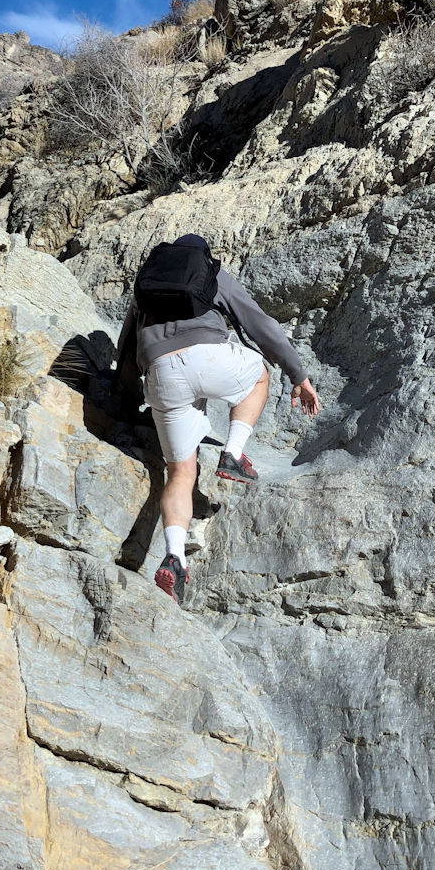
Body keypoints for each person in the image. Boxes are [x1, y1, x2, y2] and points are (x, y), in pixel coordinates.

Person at [114, 233, 320, 605]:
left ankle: (174, 558)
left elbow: (128, 347)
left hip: (159, 371)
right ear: (202, 256)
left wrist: (127, 401)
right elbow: (261, 326)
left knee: (179, 473)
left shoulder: (147, 283)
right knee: (258, 374)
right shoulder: (211, 274)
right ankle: (233, 454)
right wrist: (298, 375)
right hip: (211, 357)